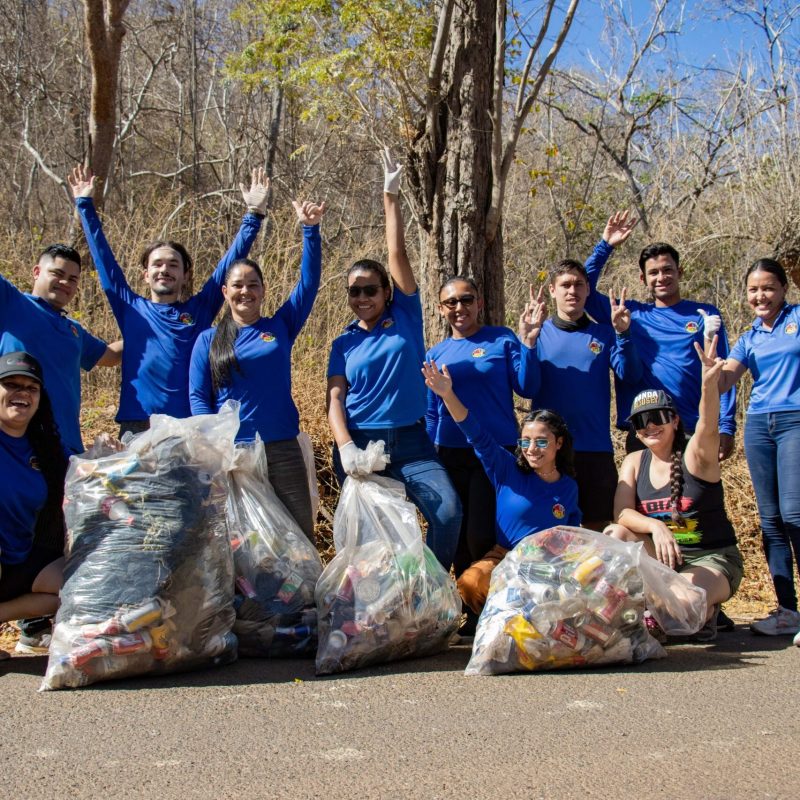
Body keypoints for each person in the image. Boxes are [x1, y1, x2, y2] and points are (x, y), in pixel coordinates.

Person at [326, 149, 462, 570]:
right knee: (375, 541)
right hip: (362, 444)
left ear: (387, 293)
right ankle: (380, 613)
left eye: (370, 289)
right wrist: (346, 447)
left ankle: (430, 592)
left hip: (413, 442)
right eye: (355, 291)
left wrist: (390, 197)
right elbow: (334, 402)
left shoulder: (405, 316)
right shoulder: (342, 343)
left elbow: (396, 254)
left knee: (448, 514)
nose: (362, 297)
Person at [69, 165, 268, 437]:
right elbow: (104, 261)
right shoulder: (131, 309)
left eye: (173, 265)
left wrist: (253, 216)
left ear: (185, 275)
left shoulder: (198, 310)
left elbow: (228, 265)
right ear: (146, 275)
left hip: (187, 427)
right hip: (138, 426)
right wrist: (84, 204)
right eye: (157, 264)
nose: (164, 270)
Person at [189, 198, 325, 541]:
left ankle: (302, 596)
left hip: (282, 448)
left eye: (253, 285)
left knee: (299, 535)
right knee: (245, 544)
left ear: (263, 291)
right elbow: (197, 396)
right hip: (236, 455)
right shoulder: (208, 340)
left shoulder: (280, 326)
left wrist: (310, 230)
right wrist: (216, 445)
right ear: (225, 291)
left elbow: (307, 286)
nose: (245, 291)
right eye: (237, 285)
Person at [605, 335, 743, 641]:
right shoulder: (633, 460)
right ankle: (662, 610)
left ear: (675, 421)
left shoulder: (695, 458)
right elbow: (622, 514)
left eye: (657, 417)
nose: (649, 425)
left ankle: (703, 609)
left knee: (680, 605)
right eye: (641, 421)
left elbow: (707, 426)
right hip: (664, 560)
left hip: (709, 558)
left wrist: (708, 385)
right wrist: (656, 527)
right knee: (615, 535)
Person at [422, 359, 580, 616]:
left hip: (549, 563)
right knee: (471, 582)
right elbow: (475, 433)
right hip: (506, 559)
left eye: (541, 442)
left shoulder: (569, 486)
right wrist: (447, 394)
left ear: (558, 443)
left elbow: (573, 535)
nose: (531, 449)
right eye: (525, 440)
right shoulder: (507, 469)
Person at [425, 277, 542, 579]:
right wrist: (430, 458)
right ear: (440, 309)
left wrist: (528, 343)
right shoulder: (435, 354)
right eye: (451, 302)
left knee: (481, 532)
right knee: (456, 531)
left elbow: (528, 387)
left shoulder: (501, 339)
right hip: (450, 451)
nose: (459, 307)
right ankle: (468, 605)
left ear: (480, 303)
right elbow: (432, 412)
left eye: (467, 299)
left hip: (494, 451)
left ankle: (487, 600)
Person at [583, 235, 737, 461]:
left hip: (692, 429)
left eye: (667, 270)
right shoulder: (630, 314)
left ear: (679, 272)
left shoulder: (704, 315)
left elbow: (721, 372)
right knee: (645, 497)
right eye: (653, 273)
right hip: (645, 429)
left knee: (694, 497)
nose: (661, 277)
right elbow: (584, 291)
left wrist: (725, 426)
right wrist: (606, 245)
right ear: (643, 278)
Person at [712, 259, 800, 637]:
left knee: (795, 514)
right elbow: (726, 379)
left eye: (768, 288)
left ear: (783, 289)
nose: (760, 296)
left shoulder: (797, 319)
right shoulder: (749, 337)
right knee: (771, 521)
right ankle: (787, 610)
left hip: (796, 419)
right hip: (760, 424)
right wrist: (711, 366)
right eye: (753, 289)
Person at [531, 235, 641, 529]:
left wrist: (623, 334)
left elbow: (629, 374)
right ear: (552, 290)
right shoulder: (537, 334)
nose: (572, 291)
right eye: (565, 285)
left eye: (579, 284)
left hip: (595, 447)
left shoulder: (604, 334)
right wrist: (528, 342)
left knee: (597, 528)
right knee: (550, 530)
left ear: (587, 290)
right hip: (548, 450)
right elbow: (525, 387)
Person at [0, 244, 121, 454]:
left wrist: (149, 334)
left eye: (73, 279)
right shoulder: (11, 303)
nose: (65, 282)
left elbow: (110, 356)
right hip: (18, 440)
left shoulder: (74, 330)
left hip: (66, 446)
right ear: (37, 272)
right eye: (58, 273)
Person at [0, 352, 68, 659]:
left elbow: (88, 479)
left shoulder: (46, 448)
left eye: (31, 388)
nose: (22, 393)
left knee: (84, 585)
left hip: (21, 558)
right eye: (11, 384)